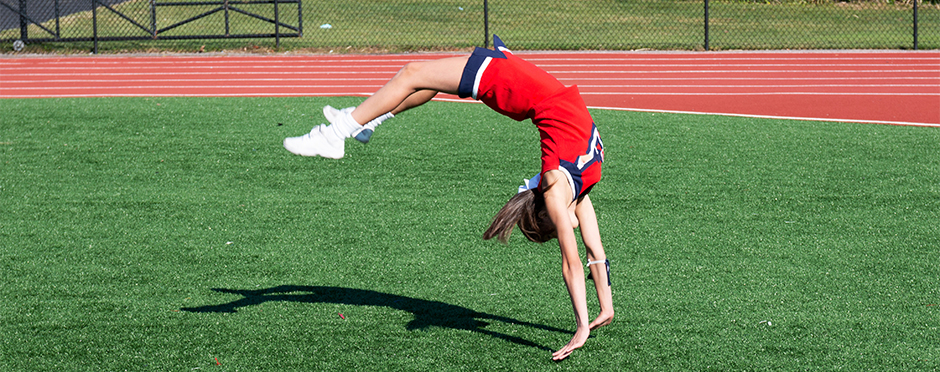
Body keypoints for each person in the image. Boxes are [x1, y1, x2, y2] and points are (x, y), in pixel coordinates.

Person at [283, 35, 613, 361]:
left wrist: (605, 304)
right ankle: (338, 134)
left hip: (523, 87)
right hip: (514, 83)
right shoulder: (560, 191)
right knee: (414, 74)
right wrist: (585, 323)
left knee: (419, 75)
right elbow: (575, 262)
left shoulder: (572, 188)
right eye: (554, 228)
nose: (563, 229)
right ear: (545, 212)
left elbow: (593, 250)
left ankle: (359, 123)